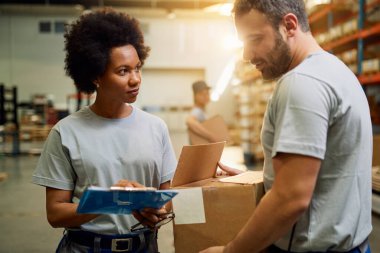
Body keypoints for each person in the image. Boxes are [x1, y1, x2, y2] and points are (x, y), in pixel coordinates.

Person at [201, 0, 372, 252]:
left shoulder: (300, 83)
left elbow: (291, 199)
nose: (247, 56)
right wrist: (268, 179)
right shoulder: (336, 71)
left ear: (289, 25)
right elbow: (328, 169)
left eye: (255, 39)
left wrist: (230, 251)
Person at [31, 8, 177, 253]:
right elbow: (55, 213)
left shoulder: (156, 128)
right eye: (123, 71)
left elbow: (168, 199)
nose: (135, 79)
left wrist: (154, 206)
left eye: (137, 68)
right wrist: (110, 203)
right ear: (96, 75)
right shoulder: (66, 133)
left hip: (144, 246)